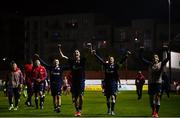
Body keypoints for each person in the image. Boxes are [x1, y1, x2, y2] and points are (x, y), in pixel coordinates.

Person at [91, 49, 130, 116]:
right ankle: (109, 109)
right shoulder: (106, 65)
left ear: (113, 60)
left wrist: (126, 56)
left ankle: (112, 111)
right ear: (109, 60)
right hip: (107, 83)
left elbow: (121, 61)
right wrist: (95, 55)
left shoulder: (116, 66)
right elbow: (100, 60)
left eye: (112, 59)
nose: (111, 60)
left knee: (113, 97)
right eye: (110, 59)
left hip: (113, 83)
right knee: (108, 98)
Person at [139, 45, 170, 118]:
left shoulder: (161, 64)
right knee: (151, 100)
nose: (154, 58)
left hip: (158, 83)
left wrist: (167, 50)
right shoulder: (150, 64)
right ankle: (153, 110)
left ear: (158, 59)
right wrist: (141, 51)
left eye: (156, 57)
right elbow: (141, 59)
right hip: (151, 84)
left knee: (157, 98)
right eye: (153, 57)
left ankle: (156, 113)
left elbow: (168, 58)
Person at [59, 44, 86, 117]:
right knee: (75, 98)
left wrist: (90, 48)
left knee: (81, 96)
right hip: (74, 82)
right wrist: (59, 48)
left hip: (81, 81)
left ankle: (80, 109)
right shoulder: (71, 62)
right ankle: (77, 111)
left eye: (77, 52)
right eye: (75, 52)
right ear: (74, 55)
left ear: (79, 54)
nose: (76, 53)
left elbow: (90, 55)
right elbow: (63, 56)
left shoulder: (83, 61)